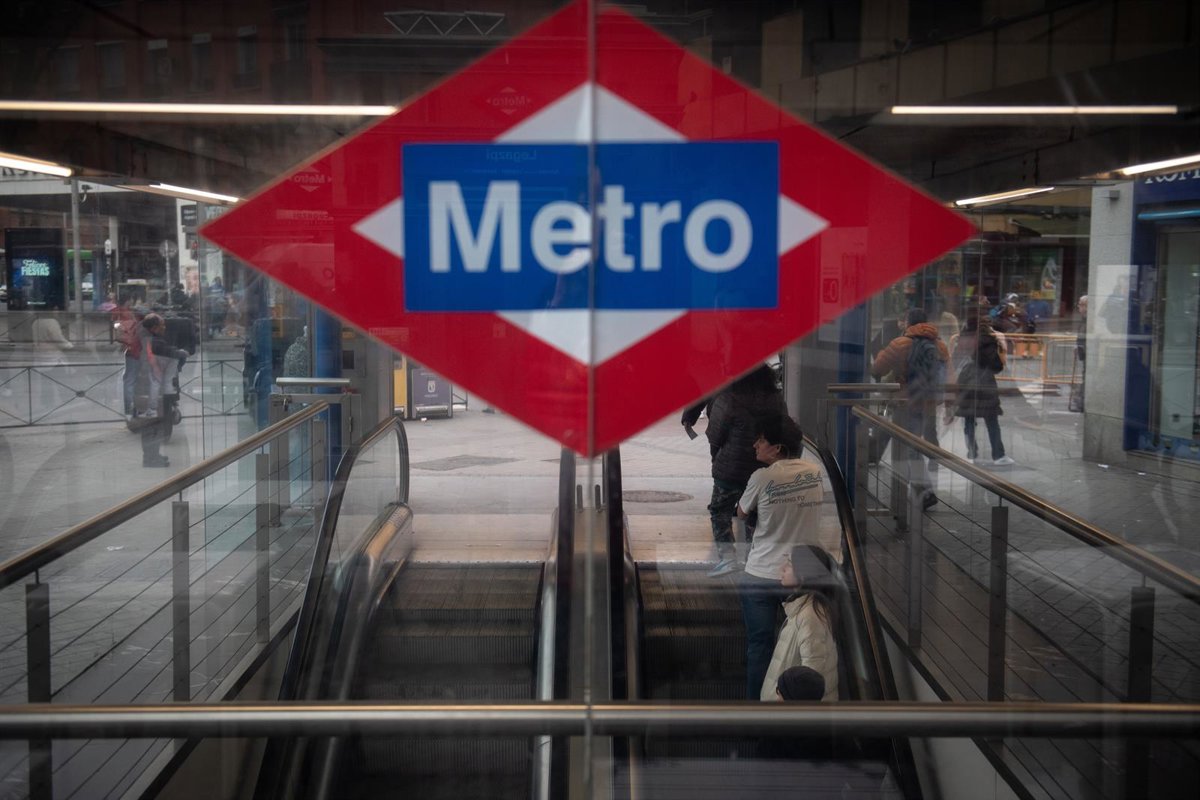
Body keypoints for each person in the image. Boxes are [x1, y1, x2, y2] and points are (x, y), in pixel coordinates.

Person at [735, 414, 825, 699]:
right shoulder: (815, 472)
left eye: (761, 440)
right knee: (802, 645)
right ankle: (794, 704)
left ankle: (756, 709)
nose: (755, 445)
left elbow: (741, 513)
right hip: (802, 574)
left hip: (761, 572)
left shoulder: (762, 477)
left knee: (759, 646)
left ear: (777, 448)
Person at [704, 365, 786, 577]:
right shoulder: (776, 399)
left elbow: (715, 434)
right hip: (764, 468)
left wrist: (716, 458)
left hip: (729, 470)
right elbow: (783, 429)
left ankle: (728, 559)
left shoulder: (728, 398)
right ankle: (753, 558)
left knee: (720, 511)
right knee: (757, 514)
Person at [869, 307, 951, 508]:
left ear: (908, 322)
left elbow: (878, 368)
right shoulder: (940, 345)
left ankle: (924, 492)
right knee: (914, 443)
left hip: (906, 403)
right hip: (929, 404)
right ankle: (919, 489)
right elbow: (949, 376)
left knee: (910, 447)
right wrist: (948, 404)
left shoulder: (900, 343)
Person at [760, 545, 839, 702]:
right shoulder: (804, 608)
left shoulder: (810, 617)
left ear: (803, 575)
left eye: (789, 564)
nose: (782, 568)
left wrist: (783, 699)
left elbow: (811, 678)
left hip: (792, 710)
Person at [947, 311, 1013, 466]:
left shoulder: (963, 340)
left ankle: (972, 453)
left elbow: (955, 360)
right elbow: (996, 366)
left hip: (966, 380)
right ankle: (998, 455)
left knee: (969, 420)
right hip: (985, 382)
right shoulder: (990, 340)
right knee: (992, 421)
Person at [133, 313, 188, 467]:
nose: (164, 328)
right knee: (152, 426)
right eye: (162, 325)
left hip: (148, 388)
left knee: (152, 425)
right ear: (154, 328)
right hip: (150, 390)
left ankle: (153, 455)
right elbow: (168, 352)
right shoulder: (152, 341)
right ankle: (150, 458)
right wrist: (181, 353)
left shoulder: (146, 338)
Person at [1069, 295, 1087, 413]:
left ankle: (1082, 402)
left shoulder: (1089, 319)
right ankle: (1080, 401)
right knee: (1085, 375)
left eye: (1080, 304)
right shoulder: (1084, 319)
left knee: (1086, 377)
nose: (1078, 307)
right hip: (1084, 351)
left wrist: (1080, 347)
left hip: (1087, 352)